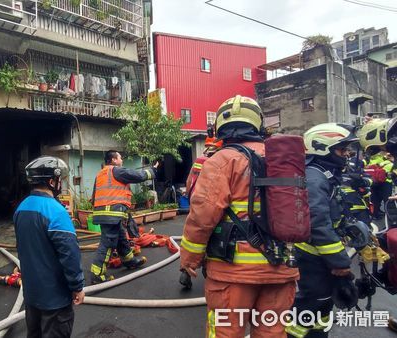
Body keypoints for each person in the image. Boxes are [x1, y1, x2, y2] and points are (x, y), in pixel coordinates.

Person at [180, 95, 299, 337]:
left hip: (232, 272)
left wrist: (189, 259)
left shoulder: (222, 160)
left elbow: (202, 216)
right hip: (281, 268)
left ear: (220, 126)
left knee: (226, 332)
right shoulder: (282, 160)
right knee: (273, 333)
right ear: (257, 123)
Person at [287, 123, 359, 338]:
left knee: (324, 304)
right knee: (312, 303)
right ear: (321, 147)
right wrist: (339, 262)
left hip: (321, 255)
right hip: (313, 256)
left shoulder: (324, 174)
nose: (346, 154)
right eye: (341, 149)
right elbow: (317, 223)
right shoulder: (314, 177)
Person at [14, 156, 85, 338]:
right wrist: (77, 286)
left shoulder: (21, 208)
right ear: (52, 181)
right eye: (59, 180)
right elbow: (70, 254)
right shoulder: (56, 211)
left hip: (32, 296)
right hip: (55, 300)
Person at [90, 150, 158, 284]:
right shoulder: (117, 171)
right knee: (108, 243)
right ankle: (97, 274)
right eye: (120, 158)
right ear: (114, 160)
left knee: (121, 236)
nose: (122, 160)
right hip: (112, 213)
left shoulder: (101, 174)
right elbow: (137, 175)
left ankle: (129, 260)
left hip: (104, 212)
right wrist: (153, 170)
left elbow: (94, 195)